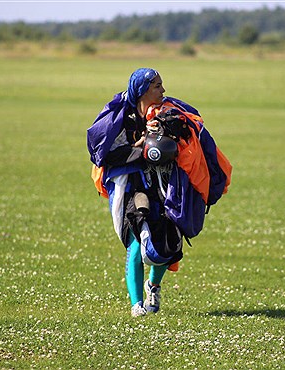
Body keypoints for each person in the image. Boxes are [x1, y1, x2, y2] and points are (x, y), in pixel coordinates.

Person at [87, 68, 231, 317]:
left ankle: (154, 286)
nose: (163, 90)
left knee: (169, 241)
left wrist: (166, 133)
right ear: (143, 90)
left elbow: (187, 142)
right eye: (157, 86)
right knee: (136, 240)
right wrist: (140, 147)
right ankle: (136, 304)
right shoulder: (122, 118)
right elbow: (107, 155)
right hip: (133, 186)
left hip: (164, 185)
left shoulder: (168, 113)